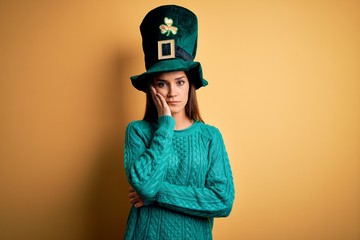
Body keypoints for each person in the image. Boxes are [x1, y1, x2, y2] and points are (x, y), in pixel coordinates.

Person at [123, 5, 235, 240]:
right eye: (162, 83)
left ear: (190, 85)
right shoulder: (138, 132)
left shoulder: (209, 136)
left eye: (180, 82)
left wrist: (155, 194)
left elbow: (222, 201)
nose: (172, 92)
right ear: (152, 89)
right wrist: (165, 125)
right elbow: (144, 184)